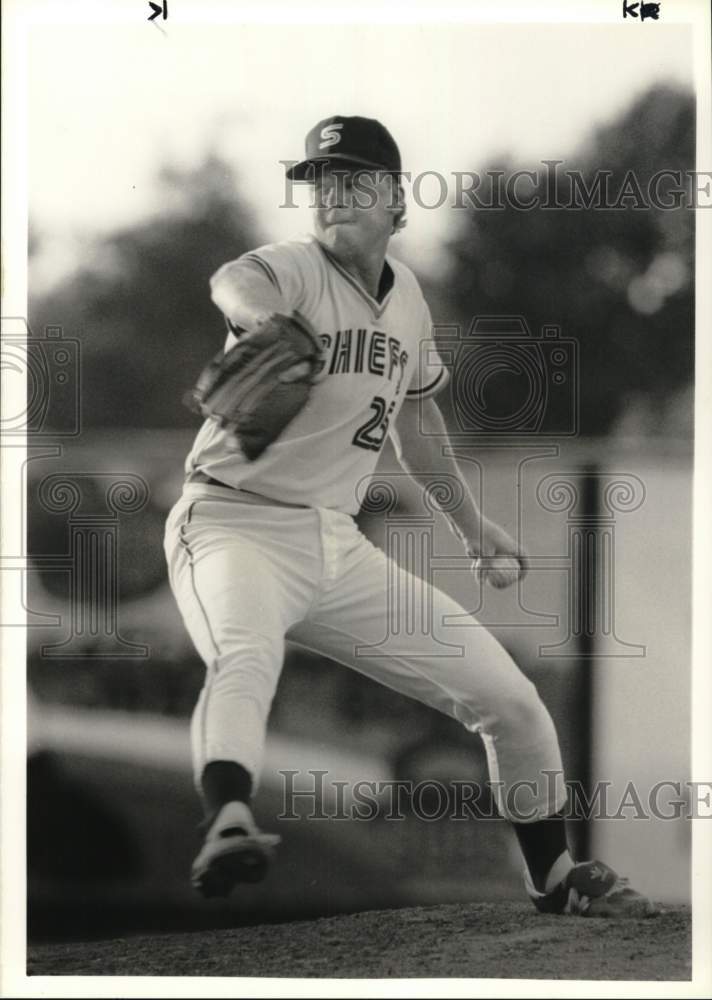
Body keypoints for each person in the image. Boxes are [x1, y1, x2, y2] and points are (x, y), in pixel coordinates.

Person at [163, 115, 655, 917]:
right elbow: (231, 281)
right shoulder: (292, 272)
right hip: (230, 522)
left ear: (397, 199)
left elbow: (418, 427)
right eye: (321, 184)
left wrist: (473, 528)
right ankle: (228, 819)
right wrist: (265, 324)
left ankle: (556, 876)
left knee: (511, 700)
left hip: (333, 542)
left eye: (354, 181)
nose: (333, 197)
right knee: (245, 657)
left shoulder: (409, 301)